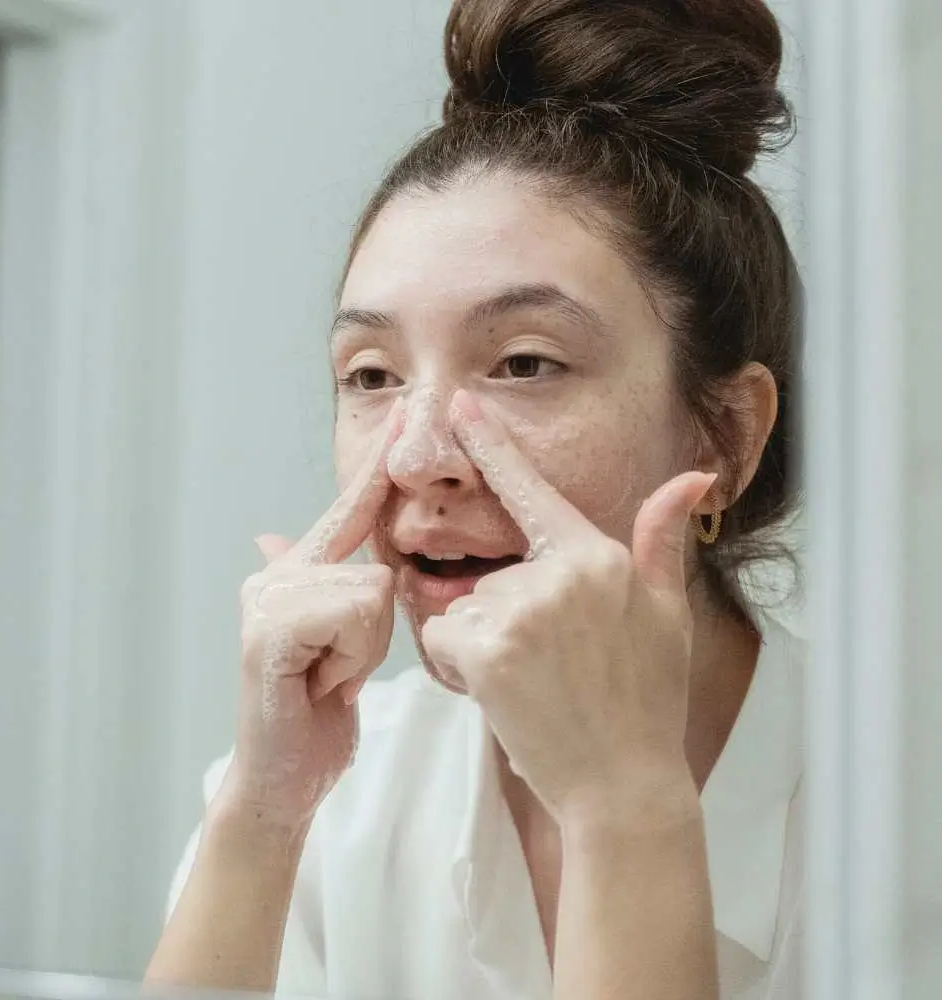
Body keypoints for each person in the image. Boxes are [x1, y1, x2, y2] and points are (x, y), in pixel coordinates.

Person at [146, 0, 804, 997]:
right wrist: (261, 812)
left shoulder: (899, 813)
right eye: (369, 376)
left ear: (727, 431)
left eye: (524, 362)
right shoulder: (343, 799)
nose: (417, 455)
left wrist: (626, 809)